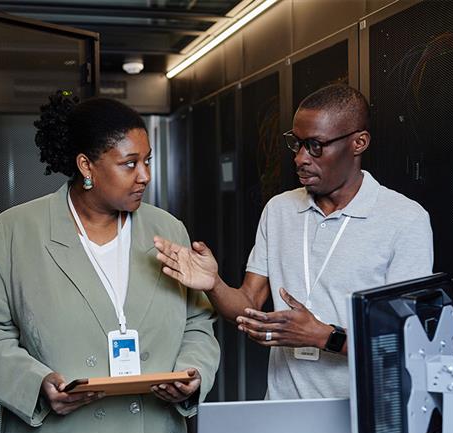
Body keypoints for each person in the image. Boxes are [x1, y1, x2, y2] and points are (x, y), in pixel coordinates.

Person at [0, 91, 220, 433]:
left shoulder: (166, 229)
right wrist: (37, 384)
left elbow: (198, 322)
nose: (145, 176)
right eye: (129, 163)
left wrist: (191, 374)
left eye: (148, 161)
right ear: (86, 167)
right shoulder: (16, 232)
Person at [154, 84, 432, 400]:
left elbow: (407, 341)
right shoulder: (279, 210)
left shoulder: (405, 220)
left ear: (359, 142)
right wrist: (213, 284)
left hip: (364, 417)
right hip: (283, 408)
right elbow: (248, 305)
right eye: (297, 144)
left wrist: (324, 337)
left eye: (315, 146)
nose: (300, 159)